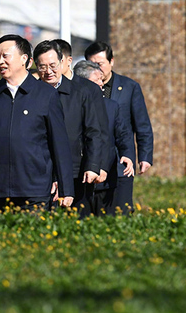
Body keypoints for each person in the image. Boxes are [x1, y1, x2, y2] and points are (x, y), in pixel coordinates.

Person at [0, 34, 74, 212]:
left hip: (36, 188)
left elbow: (59, 143)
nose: (0, 61)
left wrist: (66, 187)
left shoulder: (46, 94)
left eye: (5, 55)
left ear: (25, 59)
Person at [33, 40, 108, 217]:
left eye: (52, 65)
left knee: (77, 225)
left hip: (77, 172)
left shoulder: (81, 92)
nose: (48, 71)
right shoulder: (31, 94)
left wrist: (93, 165)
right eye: (42, 67)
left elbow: (94, 131)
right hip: (40, 173)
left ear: (62, 62)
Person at [85, 41, 154, 214]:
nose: (97, 69)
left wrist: (145, 156)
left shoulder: (129, 87)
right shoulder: (82, 90)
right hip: (92, 163)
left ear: (111, 61)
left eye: (100, 64)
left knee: (120, 212)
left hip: (121, 163)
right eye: (92, 65)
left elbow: (142, 124)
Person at [74, 60, 135, 215]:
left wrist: (127, 155)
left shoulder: (112, 106)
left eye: (102, 80)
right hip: (80, 180)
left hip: (106, 182)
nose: (102, 84)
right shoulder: (71, 106)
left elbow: (123, 135)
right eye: (97, 80)